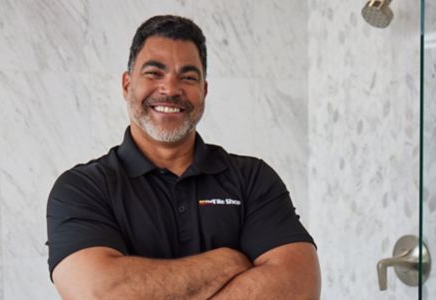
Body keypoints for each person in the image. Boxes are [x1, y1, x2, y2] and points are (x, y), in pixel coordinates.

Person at [45, 15, 320, 299]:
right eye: (154, 73)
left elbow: (297, 287)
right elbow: (99, 292)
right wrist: (226, 262)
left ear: (204, 90)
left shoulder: (252, 179)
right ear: (127, 85)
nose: (171, 89)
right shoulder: (82, 188)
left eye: (188, 77)